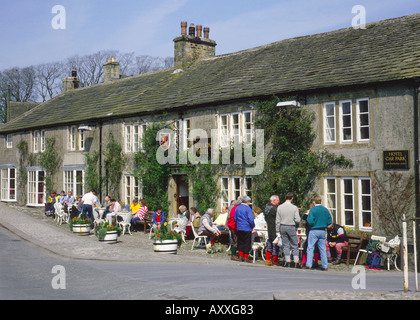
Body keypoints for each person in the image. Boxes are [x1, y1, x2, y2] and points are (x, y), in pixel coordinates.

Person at [303, 195, 332, 271]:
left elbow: (310, 221)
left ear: (314, 202)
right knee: (322, 249)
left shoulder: (313, 210)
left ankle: (309, 264)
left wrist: (311, 224)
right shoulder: (325, 210)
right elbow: (330, 221)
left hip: (314, 230)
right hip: (322, 230)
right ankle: (324, 265)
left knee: (310, 247)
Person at [276, 192, 301, 268]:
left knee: (286, 245)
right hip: (291, 226)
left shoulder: (280, 207)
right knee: (294, 244)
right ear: (292, 198)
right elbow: (298, 220)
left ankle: (288, 261)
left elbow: (277, 220)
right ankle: (296, 261)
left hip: (283, 226)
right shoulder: (294, 208)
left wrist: (277, 230)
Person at [234, 196, 255, 263]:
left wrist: (238, 223)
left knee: (240, 241)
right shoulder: (248, 208)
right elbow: (251, 219)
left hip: (239, 227)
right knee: (247, 242)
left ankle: (240, 256)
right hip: (247, 227)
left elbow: (235, 218)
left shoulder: (237, 208)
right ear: (247, 202)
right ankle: (246, 257)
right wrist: (253, 226)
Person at [301, 203, 320, 268]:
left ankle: (315, 262)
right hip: (309, 232)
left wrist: (307, 214)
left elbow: (305, 218)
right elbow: (303, 218)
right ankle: (304, 261)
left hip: (312, 232)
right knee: (306, 246)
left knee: (312, 247)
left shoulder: (313, 215)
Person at [264, 195, 281, 266]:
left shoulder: (267, 207)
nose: (279, 202)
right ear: (273, 200)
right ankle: (275, 261)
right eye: (277, 200)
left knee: (270, 243)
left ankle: (268, 259)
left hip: (269, 227)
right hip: (274, 228)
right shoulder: (274, 209)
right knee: (275, 244)